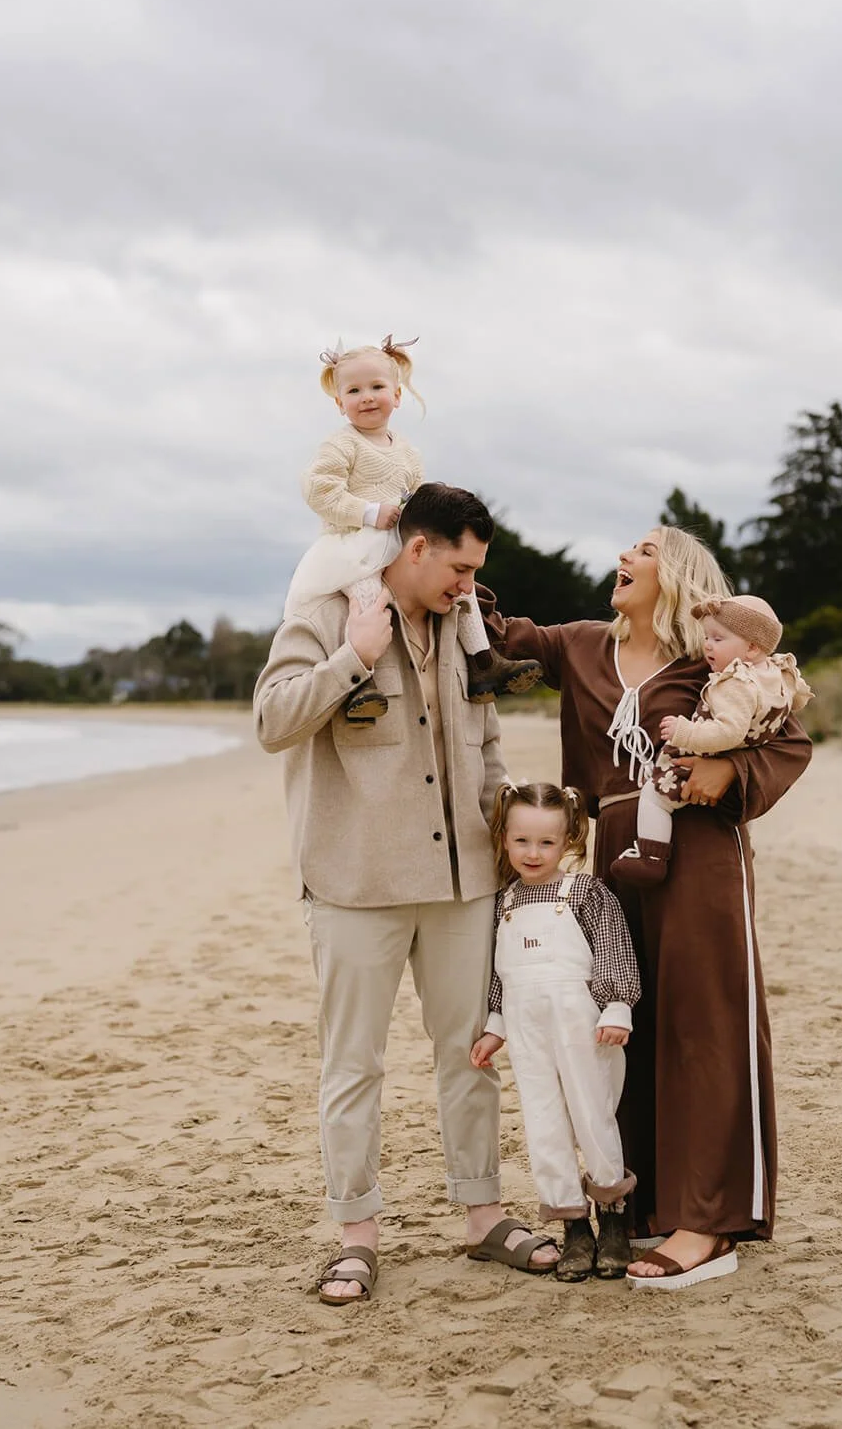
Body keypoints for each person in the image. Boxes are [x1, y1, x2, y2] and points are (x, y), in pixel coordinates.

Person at [478, 525, 812, 1291]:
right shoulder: (580, 645)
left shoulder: (714, 661)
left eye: (644, 550)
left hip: (699, 852)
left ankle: (709, 1223)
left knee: (704, 1023)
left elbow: (787, 740)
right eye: (626, 548)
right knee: (628, 1021)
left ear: (682, 574)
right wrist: (420, 526)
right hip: (614, 852)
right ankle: (657, 1198)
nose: (623, 558)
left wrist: (728, 774)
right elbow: (490, 630)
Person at [253, 483, 558, 1306]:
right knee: (354, 1067)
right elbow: (272, 720)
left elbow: (486, 740)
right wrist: (351, 655)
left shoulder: (465, 634)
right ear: (416, 547)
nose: (469, 584)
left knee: (473, 1056)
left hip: (465, 883)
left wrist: (509, 845)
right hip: (355, 884)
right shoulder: (324, 613)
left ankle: (484, 1216)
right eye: (459, 566)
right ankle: (356, 1237)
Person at [283, 336, 540, 723]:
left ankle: (484, 663)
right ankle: (360, 683)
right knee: (368, 600)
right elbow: (318, 489)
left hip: (398, 540)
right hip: (353, 544)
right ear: (340, 404)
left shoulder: (407, 451)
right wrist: (368, 512)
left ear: (397, 395)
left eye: (377, 387)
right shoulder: (342, 446)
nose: (367, 397)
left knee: (464, 594)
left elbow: (416, 500)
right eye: (354, 390)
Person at [470, 782, 640, 1283]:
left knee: (593, 1117)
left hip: (584, 1027)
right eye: (522, 841)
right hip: (527, 1031)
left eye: (546, 842)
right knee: (543, 1122)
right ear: (504, 839)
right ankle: (573, 1226)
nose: (533, 853)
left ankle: (612, 1221)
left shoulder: (585, 893)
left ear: (569, 841)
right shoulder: (502, 903)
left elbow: (614, 948)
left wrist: (616, 1006)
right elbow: (500, 974)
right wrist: (495, 1025)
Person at [611, 594, 814, 886]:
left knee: (655, 796)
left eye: (718, 639)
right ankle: (748, 844)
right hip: (744, 759)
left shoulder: (735, 683)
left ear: (752, 647)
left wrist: (685, 732)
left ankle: (651, 857)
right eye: (707, 637)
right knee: (743, 801)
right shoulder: (776, 674)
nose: (707, 645)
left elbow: (728, 732)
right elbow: (796, 699)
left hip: (705, 758)